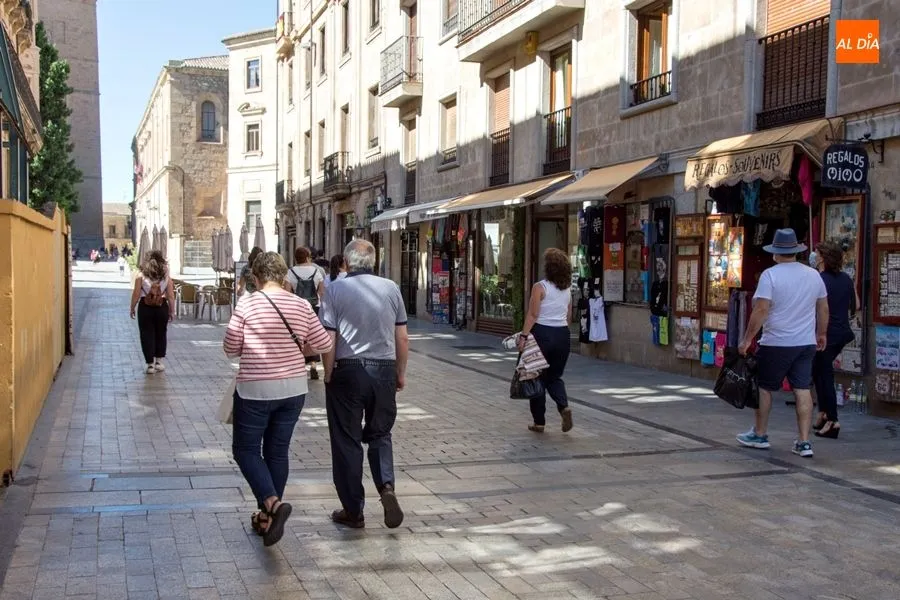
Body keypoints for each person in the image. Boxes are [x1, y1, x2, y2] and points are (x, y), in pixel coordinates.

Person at [224, 251, 333, 547]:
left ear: (256, 278)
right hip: (294, 389)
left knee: (245, 450)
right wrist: (295, 343)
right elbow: (323, 343)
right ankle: (268, 518)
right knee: (277, 451)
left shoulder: (247, 303)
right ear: (284, 276)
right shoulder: (300, 305)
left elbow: (231, 348)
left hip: (256, 389)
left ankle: (271, 504)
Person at [321, 239, 409, 529]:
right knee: (381, 433)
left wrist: (328, 371)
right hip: (383, 369)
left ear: (345, 263)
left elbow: (329, 337)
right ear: (375, 261)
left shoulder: (334, 289)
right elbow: (402, 338)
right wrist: (400, 372)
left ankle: (353, 509)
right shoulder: (391, 288)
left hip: (348, 369)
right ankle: (386, 487)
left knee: (346, 440)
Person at [737, 229, 828, 458]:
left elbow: (761, 309)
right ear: (796, 251)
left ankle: (760, 433)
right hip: (805, 342)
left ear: (776, 253)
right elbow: (823, 308)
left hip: (776, 342)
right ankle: (804, 441)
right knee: (802, 389)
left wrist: (747, 338)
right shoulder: (813, 275)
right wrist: (822, 333)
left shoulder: (770, 275)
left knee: (766, 388)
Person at [517, 248, 574, 434]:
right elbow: (569, 316)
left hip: (542, 334)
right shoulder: (567, 290)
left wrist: (524, 336)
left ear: (548, 267)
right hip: (562, 335)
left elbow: (533, 314)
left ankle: (539, 422)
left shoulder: (540, 287)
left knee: (536, 377)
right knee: (555, 376)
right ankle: (563, 406)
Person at [811, 242, 858, 439]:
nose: (814, 256)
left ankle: (832, 419)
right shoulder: (846, 279)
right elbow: (855, 304)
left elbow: (816, 307)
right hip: (842, 332)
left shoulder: (819, 280)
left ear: (822, 258)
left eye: (817, 253)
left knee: (824, 376)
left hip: (826, 334)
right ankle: (823, 414)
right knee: (819, 371)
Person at [129, 250, 175, 374]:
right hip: (161, 307)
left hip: (145, 307)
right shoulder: (166, 276)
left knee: (146, 334)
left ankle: (150, 365)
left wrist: (132, 307)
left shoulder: (141, 275)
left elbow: (136, 293)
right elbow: (170, 295)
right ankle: (159, 362)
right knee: (161, 333)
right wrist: (172, 311)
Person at [285, 247, 326, 379]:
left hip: (296, 307)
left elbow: (287, 292)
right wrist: (315, 299)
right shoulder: (316, 271)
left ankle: (298, 364)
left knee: (298, 335)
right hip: (313, 307)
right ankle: (313, 365)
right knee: (312, 334)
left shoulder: (291, 272)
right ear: (308, 257)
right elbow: (321, 290)